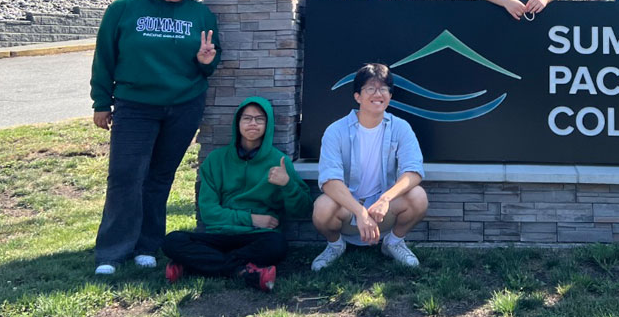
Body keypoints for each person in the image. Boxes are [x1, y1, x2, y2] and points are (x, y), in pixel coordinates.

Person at [90, 0, 222, 275]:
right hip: (135, 105)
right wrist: (101, 102)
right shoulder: (124, 9)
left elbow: (210, 63)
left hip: (184, 106)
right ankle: (112, 251)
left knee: (160, 177)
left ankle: (147, 246)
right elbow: (104, 57)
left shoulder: (200, 15)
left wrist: (206, 61)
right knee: (125, 177)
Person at [161, 97, 311, 291]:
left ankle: (193, 265)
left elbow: (303, 209)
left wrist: (287, 184)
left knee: (277, 245)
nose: (253, 123)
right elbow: (208, 211)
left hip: (257, 237)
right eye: (247, 118)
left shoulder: (279, 161)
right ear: (237, 123)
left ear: (268, 125)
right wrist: (251, 219)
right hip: (219, 234)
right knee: (172, 241)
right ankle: (241, 271)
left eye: (259, 119)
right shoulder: (216, 160)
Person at [310, 63, 429, 271]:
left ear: (390, 95)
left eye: (384, 89)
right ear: (357, 96)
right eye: (371, 88)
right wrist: (360, 212)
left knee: (418, 196)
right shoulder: (335, 131)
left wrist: (385, 199)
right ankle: (335, 245)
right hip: (348, 210)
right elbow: (330, 181)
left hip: (382, 211)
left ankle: (393, 242)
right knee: (322, 207)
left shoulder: (401, 127)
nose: (378, 94)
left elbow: (413, 171)